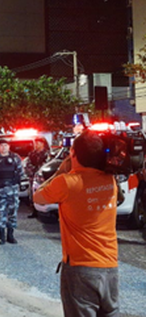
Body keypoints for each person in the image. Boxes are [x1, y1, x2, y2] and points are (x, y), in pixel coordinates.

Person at [34, 131, 119, 317]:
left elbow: (38, 196)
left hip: (81, 269)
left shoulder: (66, 182)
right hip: (110, 267)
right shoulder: (110, 180)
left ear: (73, 153)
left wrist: (61, 169)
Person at [0, 139, 23, 245]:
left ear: (9, 146)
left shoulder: (15, 158)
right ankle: (1, 236)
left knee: (13, 213)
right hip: (0, 190)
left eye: (5, 145)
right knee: (1, 212)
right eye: (1, 146)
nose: (3, 148)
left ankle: (10, 235)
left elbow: (20, 172)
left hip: (12, 189)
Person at [25, 137, 50, 218]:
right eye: (35, 143)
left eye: (38, 143)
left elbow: (47, 165)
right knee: (32, 195)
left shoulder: (47, 154)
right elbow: (28, 165)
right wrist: (32, 171)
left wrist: (39, 170)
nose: (36, 145)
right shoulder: (32, 154)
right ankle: (34, 211)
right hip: (33, 177)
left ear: (43, 144)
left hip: (43, 178)